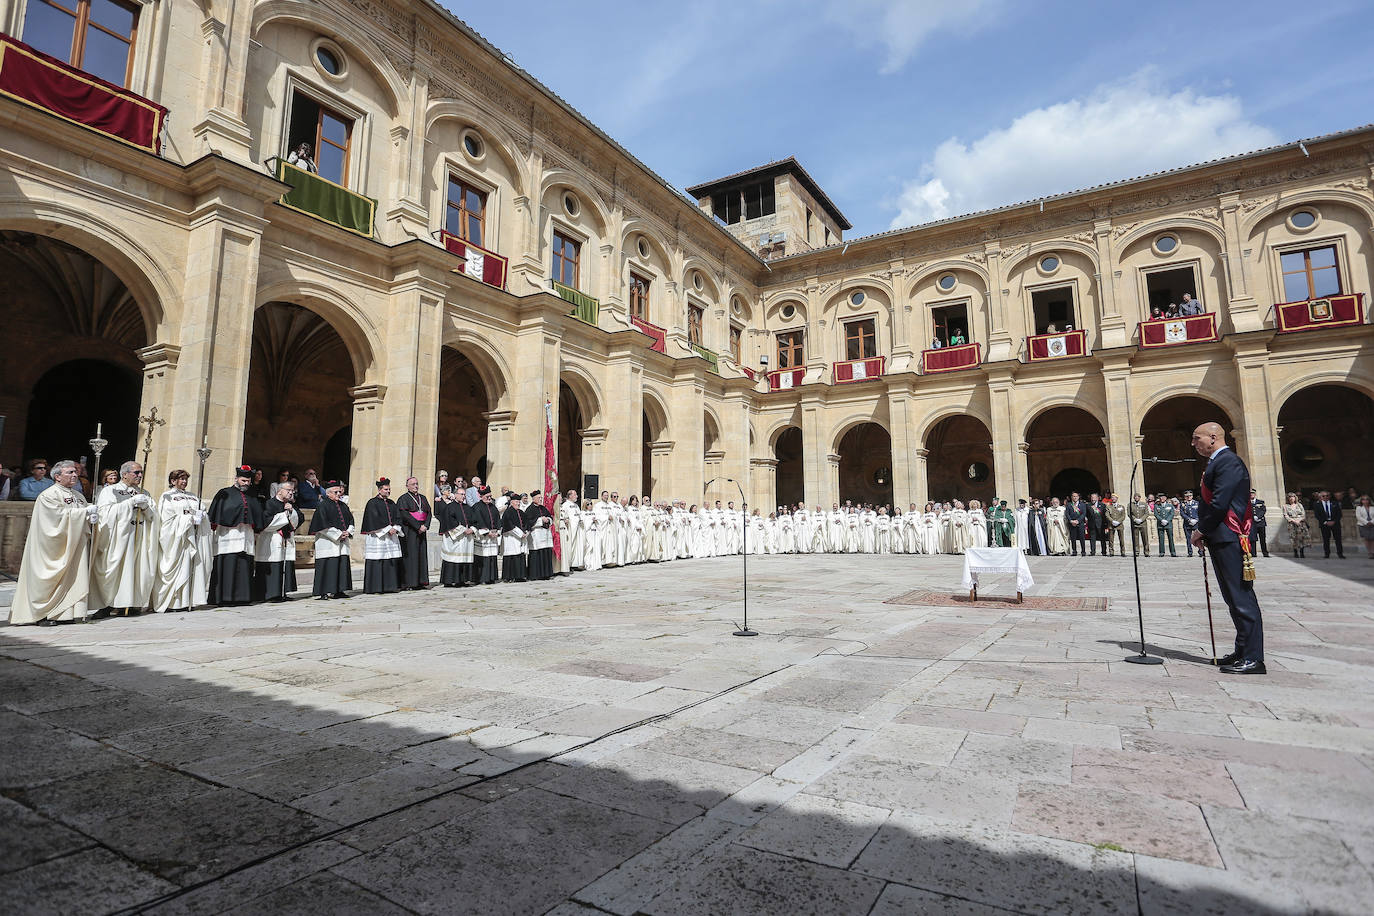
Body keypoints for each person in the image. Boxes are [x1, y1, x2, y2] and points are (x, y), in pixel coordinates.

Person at [1191, 421, 1265, 675]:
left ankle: (1254, 658)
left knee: (1241, 598)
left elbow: (1220, 503)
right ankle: (1243, 650)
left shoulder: (1228, 461)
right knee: (1233, 598)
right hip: (1222, 537)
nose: (1194, 443)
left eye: (1197, 438)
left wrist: (1201, 530)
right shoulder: (1217, 462)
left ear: (1213, 437)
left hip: (1232, 536)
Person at [9, 460, 95, 625]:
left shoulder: (78, 496)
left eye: (75, 472)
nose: (75, 475)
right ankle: (43, 615)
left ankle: (64, 614)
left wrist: (90, 517)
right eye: (69, 472)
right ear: (57, 476)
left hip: (74, 546)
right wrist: (82, 513)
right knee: (48, 578)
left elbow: (81, 515)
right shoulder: (48, 495)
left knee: (71, 577)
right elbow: (54, 519)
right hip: (52, 548)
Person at [90, 460, 157, 615]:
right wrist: (130, 503)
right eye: (136, 472)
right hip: (119, 538)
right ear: (125, 474)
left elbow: (154, 516)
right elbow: (105, 513)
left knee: (135, 570)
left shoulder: (143, 493)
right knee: (115, 570)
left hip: (138, 535)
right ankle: (107, 604)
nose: (140, 475)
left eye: (141, 473)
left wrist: (145, 506)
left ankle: (130, 603)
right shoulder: (111, 491)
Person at [151, 468, 211, 614]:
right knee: (180, 568)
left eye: (185, 479)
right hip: (179, 539)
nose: (184, 482)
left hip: (192, 538)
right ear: (173, 481)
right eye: (181, 479)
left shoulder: (193, 496)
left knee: (193, 567)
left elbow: (201, 510)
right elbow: (167, 519)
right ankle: (174, 602)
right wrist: (188, 519)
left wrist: (201, 516)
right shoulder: (167, 496)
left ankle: (190, 600)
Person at [207, 465, 264, 606]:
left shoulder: (252, 496)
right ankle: (224, 597)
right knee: (227, 564)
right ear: (236, 479)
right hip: (228, 537)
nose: (246, 483)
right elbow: (215, 514)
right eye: (243, 480)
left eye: (248, 481)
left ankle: (243, 597)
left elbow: (258, 517)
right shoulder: (224, 493)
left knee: (245, 565)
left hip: (246, 537)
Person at [255, 481, 300, 602]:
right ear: (280, 491)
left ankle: (282, 592)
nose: (291, 493)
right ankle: (270, 594)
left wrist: (291, 512)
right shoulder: (269, 503)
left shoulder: (290, 505)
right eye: (288, 490)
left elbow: (299, 520)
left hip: (286, 539)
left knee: (284, 565)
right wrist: (285, 515)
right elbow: (266, 523)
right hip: (271, 540)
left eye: (292, 491)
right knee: (273, 566)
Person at [310, 480, 354, 599]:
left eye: (340, 491)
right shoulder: (322, 505)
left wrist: (348, 532)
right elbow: (322, 524)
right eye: (336, 492)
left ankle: (339, 590)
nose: (339, 493)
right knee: (326, 566)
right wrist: (338, 534)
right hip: (327, 541)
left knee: (341, 564)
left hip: (342, 541)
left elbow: (351, 520)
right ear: (328, 493)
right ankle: (323, 592)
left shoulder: (343, 506)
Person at [361, 478, 403, 594]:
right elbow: (373, 519)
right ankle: (375, 588)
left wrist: (396, 528)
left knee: (390, 560)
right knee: (378, 560)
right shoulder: (372, 503)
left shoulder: (391, 503)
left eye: (389, 489)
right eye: (386, 489)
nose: (388, 491)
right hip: (378, 537)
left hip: (391, 537)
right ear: (379, 490)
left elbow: (398, 517)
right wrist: (388, 529)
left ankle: (390, 586)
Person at [396, 476, 432, 590]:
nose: (415, 486)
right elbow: (405, 515)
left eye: (417, 483)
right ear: (407, 486)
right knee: (410, 557)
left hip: (422, 531)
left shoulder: (423, 498)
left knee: (421, 555)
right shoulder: (403, 498)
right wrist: (418, 526)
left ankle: (421, 581)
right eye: (413, 484)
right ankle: (409, 583)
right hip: (409, 531)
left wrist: (425, 525)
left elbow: (429, 513)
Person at [437, 489, 475, 586]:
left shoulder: (468, 508)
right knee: (453, 559)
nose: (463, 496)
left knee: (463, 559)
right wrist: (463, 530)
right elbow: (448, 521)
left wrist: (472, 529)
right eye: (461, 494)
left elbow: (474, 520)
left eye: (464, 494)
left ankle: (461, 580)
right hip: (454, 538)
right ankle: (449, 581)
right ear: (455, 495)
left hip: (466, 538)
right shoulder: (449, 507)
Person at [470, 487, 501, 583]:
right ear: (481, 496)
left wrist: (497, 532)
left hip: (493, 535)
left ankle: (491, 578)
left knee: (491, 557)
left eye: (490, 496)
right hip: (483, 536)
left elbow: (498, 520)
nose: (489, 498)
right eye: (487, 496)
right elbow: (477, 521)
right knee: (483, 557)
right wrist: (487, 532)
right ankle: (481, 578)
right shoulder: (477, 507)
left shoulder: (493, 507)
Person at [524, 489, 555, 580]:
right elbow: (529, 522)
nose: (541, 499)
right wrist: (541, 520)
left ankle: (546, 574)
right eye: (539, 498)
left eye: (541, 498)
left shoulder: (543, 508)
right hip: (536, 536)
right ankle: (535, 575)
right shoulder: (529, 509)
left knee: (545, 554)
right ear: (533, 499)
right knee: (536, 555)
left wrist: (548, 520)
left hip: (545, 535)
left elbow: (550, 518)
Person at [499, 492, 527, 581]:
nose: (518, 503)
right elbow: (509, 525)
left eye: (519, 501)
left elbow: (526, 523)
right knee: (511, 557)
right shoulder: (508, 512)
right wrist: (520, 533)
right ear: (511, 502)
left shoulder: (521, 512)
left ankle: (520, 576)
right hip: (510, 538)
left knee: (520, 556)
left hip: (520, 538)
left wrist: (526, 532)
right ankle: (509, 577)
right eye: (516, 501)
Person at [1312, 490, 1344, 558]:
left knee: (1338, 539)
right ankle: (1327, 554)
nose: (1325, 497)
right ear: (1320, 497)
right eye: (1323, 496)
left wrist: (1334, 521)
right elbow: (1317, 515)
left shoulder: (1335, 503)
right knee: (1326, 540)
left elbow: (1339, 514)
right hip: (1324, 524)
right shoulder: (1317, 504)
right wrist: (1325, 522)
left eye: (1327, 496)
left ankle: (1340, 553)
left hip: (1335, 524)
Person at [1282, 492, 1309, 559]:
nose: (1291, 498)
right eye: (1290, 497)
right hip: (1292, 524)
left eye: (1293, 497)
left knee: (1301, 538)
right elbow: (1286, 515)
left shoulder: (1299, 505)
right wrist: (1293, 520)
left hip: (1300, 523)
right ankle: (1295, 552)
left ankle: (1302, 552)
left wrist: (1299, 520)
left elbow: (1303, 514)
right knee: (1294, 538)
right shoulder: (1285, 506)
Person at [1249, 489, 1270, 558]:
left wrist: (1258, 517)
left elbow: (1263, 510)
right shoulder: (1247, 502)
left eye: (1253, 493)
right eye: (1250, 493)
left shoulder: (1260, 502)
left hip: (1261, 522)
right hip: (1252, 523)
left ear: (1255, 494)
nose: (1251, 495)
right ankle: (1253, 553)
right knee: (1253, 539)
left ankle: (1265, 552)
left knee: (1262, 538)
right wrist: (1252, 517)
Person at [1179, 490, 1200, 557]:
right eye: (1187, 496)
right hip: (1187, 524)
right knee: (1188, 539)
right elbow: (1182, 513)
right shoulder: (1183, 504)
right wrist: (1189, 519)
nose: (1188, 497)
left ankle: (1201, 551)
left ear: (1192, 496)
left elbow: (1200, 512)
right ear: (1185, 497)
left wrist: (1196, 519)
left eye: (1190, 496)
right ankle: (1190, 552)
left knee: (1199, 538)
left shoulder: (1197, 503)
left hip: (1196, 523)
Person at [1064, 492, 1086, 556]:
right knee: (1073, 538)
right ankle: (1074, 551)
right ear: (1071, 497)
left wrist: (1078, 521)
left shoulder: (1082, 504)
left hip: (1080, 523)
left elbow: (1084, 514)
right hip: (1072, 523)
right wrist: (1071, 521)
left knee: (1082, 538)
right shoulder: (1069, 504)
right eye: (1073, 496)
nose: (1075, 497)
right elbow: (1067, 514)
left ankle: (1083, 551)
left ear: (1078, 497)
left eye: (1076, 496)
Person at [1356, 494, 1374, 561]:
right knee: (1367, 539)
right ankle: (1369, 552)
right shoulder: (1359, 508)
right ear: (1361, 501)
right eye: (1363, 499)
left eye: (1367, 499)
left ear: (1369, 500)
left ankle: (1373, 552)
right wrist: (1366, 522)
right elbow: (1358, 517)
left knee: (1372, 539)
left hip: (1372, 524)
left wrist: (1371, 522)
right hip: (1363, 525)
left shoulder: (1373, 507)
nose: (1365, 501)